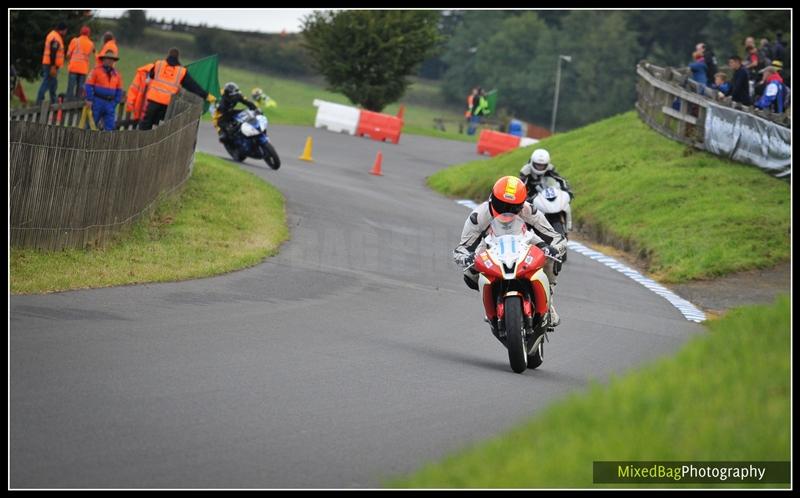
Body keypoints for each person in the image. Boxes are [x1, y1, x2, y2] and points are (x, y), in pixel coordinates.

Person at [453, 176, 568, 331]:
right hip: (490, 252)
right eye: (502, 205)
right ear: (493, 199)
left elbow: (555, 237)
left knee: (551, 258)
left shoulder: (529, 210)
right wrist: (467, 258)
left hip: (524, 249)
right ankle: (491, 304)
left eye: (513, 207)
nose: (507, 210)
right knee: (469, 274)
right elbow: (462, 248)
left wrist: (553, 248)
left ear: (521, 204)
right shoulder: (478, 216)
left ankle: (549, 303)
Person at [138, 48, 215, 131]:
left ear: (168, 55)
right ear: (178, 57)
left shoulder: (158, 64)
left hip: (153, 100)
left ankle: (141, 142)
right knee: (161, 126)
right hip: (167, 103)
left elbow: (151, 75)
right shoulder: (181, 71)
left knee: (146, 122)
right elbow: (192, 86)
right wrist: (206, 95)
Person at [85, 50, 123, 131]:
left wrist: (115, 102)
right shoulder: (96, 71)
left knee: (110, 127)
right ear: (103, 60)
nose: (110, 61)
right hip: (97, 102)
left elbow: (119, 90)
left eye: (112, 59)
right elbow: (88, 85)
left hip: (110, 104)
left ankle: (107, 143)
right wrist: (90, 99)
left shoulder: (117, 75)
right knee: (91, 125)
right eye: (108, 59)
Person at [36, 22, 68, 104]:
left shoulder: (53, 35)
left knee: (53, 83)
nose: (66, 32)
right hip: (51, 65)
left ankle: (53, 100)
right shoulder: (55, 38)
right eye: (65, 30)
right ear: (62, 30)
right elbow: (53, 52)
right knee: (47, 82)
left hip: (50, 64)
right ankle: (39, 101)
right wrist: (53, 66)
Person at [66, 26, 95, 101]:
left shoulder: (75, 40)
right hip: (83, 69)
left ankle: (68, 103)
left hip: (73, 67)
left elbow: (68, 54)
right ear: (88, 34)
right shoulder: (91, 44)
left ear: (80, 32)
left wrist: (70, 60)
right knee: (80, 88)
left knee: (71, 87)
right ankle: (77, 105)